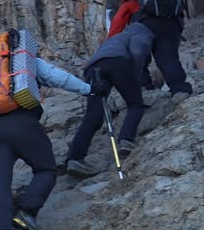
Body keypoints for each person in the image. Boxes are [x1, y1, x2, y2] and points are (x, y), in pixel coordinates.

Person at [0, 52, 93, 230]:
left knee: (0, 184)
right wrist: (88, 89)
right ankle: (26, 213)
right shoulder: (25, 60)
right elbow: (58, 78)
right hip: (23, 122)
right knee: (46, 169)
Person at [64, 22, 155, 177]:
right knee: (135, 104)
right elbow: (138, 51)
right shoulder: (140, 33)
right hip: (117, 62)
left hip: (92, 68)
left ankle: (75, 158)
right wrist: (135, 76)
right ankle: (126, 140)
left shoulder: (114, 39)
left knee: (93, 116)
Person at [131, 0, 198, 102]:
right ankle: (180, 90)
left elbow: (123, 15)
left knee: (139, 59)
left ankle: (144, 91)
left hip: (145, 25)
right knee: (168, 60)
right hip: (170, 24)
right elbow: (181, 10)